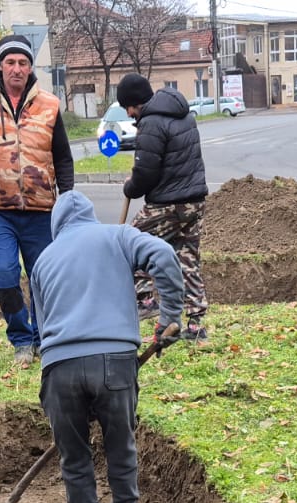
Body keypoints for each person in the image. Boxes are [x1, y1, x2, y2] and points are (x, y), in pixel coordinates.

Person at [28, 191, 184, 503]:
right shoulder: (118, 235)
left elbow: (41, 327)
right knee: (120, 445)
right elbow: (164, 255)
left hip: (60, 368)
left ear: (56, 225)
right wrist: (170, 315)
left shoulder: (42, 260)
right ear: (90, 216)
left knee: (75, 456)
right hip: (114, 362)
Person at [0, 34, 76, 366]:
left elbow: (62, 157)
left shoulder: (49, 105)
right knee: (7, 274)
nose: (17, 69)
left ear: (30, 68)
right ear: (0, 66)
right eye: (10, 62)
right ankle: (21, 338)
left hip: (41, 211)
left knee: (42, 278)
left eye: (23, 63)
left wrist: (68, 199)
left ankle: (43, 338)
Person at [117, 73, 210, 342]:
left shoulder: (151, 123)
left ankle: (146, 300)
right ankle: (196, 327)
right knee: (187, 258)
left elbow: (146, 173)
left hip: (167, 203)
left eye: (128, 107)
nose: (130, 114)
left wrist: (130, 187)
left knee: (129, 243)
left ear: (134, 104)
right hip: (195, 201)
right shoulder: (184, 114)